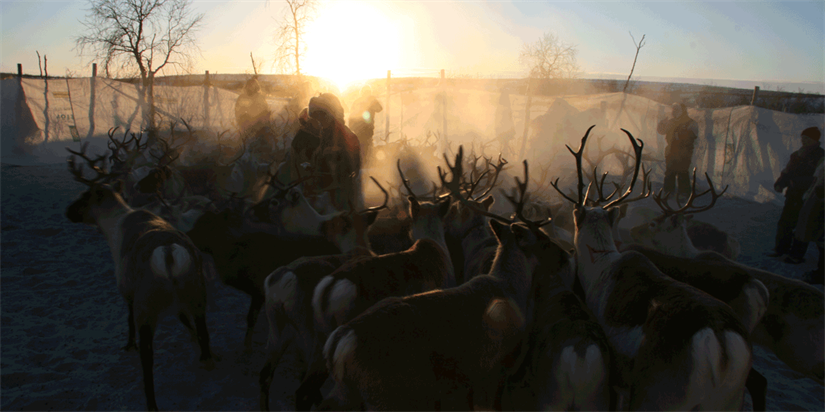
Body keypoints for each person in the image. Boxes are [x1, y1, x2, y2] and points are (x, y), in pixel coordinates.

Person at [294, 93, 361, 210]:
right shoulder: (324, 133)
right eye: (315, 117)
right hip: (323, 188)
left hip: (338, 191)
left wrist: (334, 157)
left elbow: (353, 164)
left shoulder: (343, 134)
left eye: (321, 116)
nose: (318, 120)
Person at [771, 126, 825, 264]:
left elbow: (817, 177)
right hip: (793, 194)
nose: (803, 140)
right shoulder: (797, 154)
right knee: (785, 222)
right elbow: (787, 170)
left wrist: (798, 183)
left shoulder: (820, 156)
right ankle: (781, 249)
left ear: (815, 140)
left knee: (802, 226)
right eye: (802, 138)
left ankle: (796, 255)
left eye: (807, 138)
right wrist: (781, 182)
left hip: (809, 197)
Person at [657, 102, 698, 199]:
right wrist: (662, 124)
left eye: (676, 110)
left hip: (684, 152)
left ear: (682, 111)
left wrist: (680, 135)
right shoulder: (671, 122)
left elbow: (693, 136)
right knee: (669, 172)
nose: (673, 112)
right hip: (671, 151)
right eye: (673, 110)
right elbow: (662, 131)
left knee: (682, 172)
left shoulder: (690, 123)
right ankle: (668, 193)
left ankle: (684, 194)